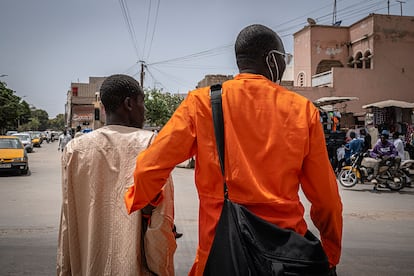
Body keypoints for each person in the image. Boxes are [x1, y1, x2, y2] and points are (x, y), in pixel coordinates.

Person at [124, 24, 342, 275]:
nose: (283, 67)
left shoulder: (202, 102)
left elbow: (150, 167)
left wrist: (142, 200)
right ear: (272, 59)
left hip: (220, 251)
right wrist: (331, 251)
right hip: (284, 257)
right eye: (284, 59)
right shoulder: (303, 110)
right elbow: (326, 199)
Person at [57, 74, 177, 275]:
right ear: (129, 104)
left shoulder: (74, 149)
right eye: (142, 103)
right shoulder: (151, 144)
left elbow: (67, 221)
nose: (144, 111)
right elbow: (160, 222)